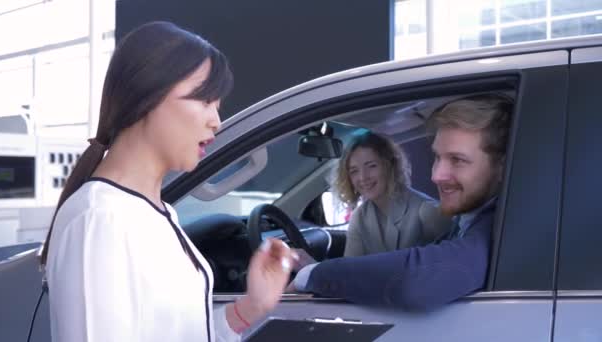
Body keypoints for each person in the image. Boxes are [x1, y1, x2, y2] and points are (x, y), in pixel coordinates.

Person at [40, 21, 295, 342]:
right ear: (148, 95)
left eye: (217, 105)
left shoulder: (154, 213)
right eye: (205, 100)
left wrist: (249, 308)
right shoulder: (100, 220)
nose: (215, 120)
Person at [291, 93, 512, 311]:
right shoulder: (466, 220)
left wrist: (312, 274)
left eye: (458, 160)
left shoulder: (498, 228)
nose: (436, 175)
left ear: (502, 167)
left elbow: (419, 280)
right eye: (437, 157)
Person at [333, 131, 450, 256]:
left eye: (372, 166)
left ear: (390, 165)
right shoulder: (359, 217)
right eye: (354, 171)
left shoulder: (427, 211)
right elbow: (350, 269)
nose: (363, 177)